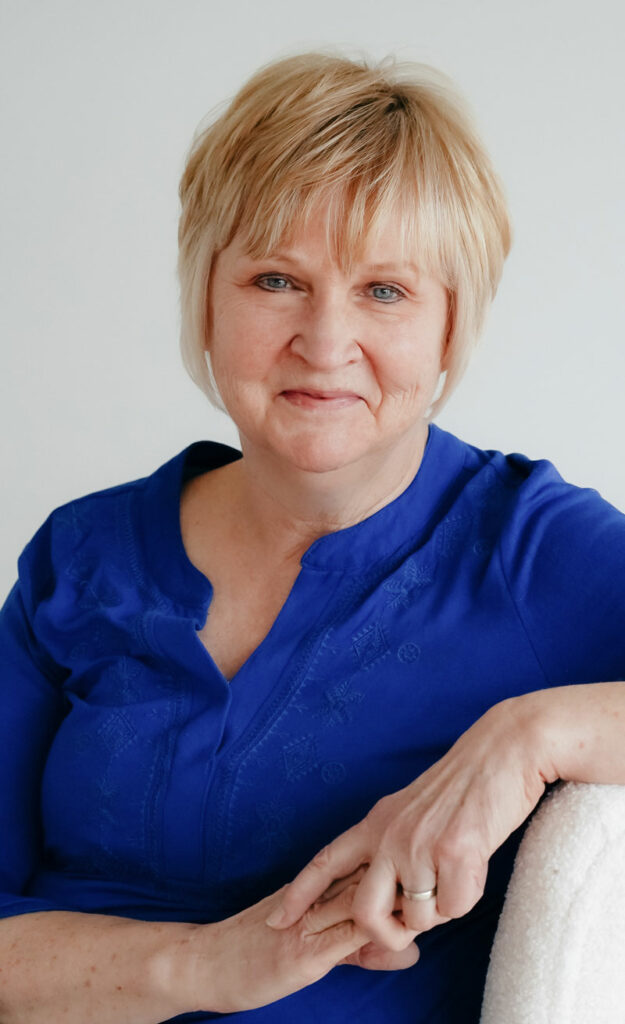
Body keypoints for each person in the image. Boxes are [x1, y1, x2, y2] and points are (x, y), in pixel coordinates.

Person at [0, 49, 624, 1024]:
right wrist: (208, 966)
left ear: (451, 325)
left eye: (385, 290)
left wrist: (531, 735)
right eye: (276, 279)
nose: (325, 341)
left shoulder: (530, 550)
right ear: (206, 294)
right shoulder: (79, 555)